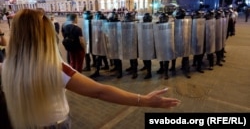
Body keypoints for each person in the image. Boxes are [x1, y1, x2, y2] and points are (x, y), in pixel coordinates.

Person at [1, 9, 180, 129]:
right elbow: (99, 92)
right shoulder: (54, 68)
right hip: (55, 124)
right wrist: (144, 100)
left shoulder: (7, 65)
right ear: (45, 36)